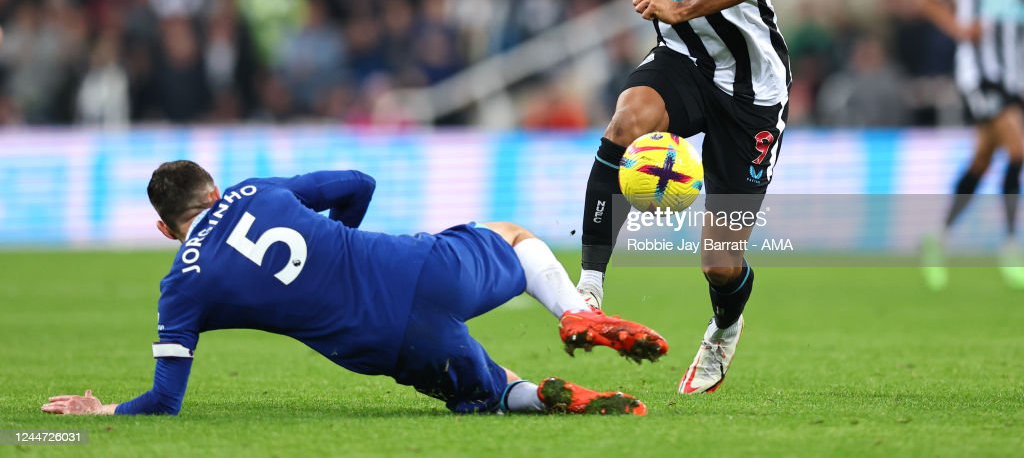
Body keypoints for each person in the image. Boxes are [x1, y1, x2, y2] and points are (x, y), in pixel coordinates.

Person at [41, 162, 667, 417]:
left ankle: (541, 396)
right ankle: (577, 312)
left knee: (489, 392)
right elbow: (357, 182)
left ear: (163, 227)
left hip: (382, 342)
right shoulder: (254, 191)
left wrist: (101, 413)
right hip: (413, 267)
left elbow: (164, 401)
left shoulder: (182, 286)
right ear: (214, 189)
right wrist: (338, 247)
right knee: (511, 236)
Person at [574, 0, 790, 395]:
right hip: (688, 62)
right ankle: (589, 287)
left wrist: (681, 6)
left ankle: (724, 327)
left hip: (751, 89)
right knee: (626, 120)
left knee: (719, 262)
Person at [918, 0, 1024, 290]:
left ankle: (938, 239)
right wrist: (958, 29)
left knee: (983, 158)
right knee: (1018, 149)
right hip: (980, 73)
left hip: (1017, 76)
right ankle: (1012, 245)